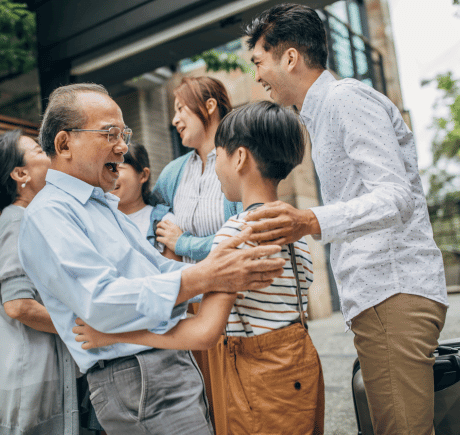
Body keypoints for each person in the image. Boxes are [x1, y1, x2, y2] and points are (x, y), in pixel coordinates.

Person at [17, 83, 287, 435]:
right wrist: (210, 275)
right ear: (64, 143)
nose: (123, 146)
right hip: (135, 377)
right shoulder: (48, 215)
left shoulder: (100, 205)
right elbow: (102, 301)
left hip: (155, 369)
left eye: (123, 133)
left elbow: (158, 270)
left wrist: (218, 265)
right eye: (110, 134)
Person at [241, 4, 449, 435]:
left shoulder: (344, 100)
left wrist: (309, 220)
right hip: (382, 296)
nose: (257, 75)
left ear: (290, 57)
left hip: (393, 291)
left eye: (259, 61)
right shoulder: (322, 112)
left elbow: (395, 198)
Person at [74, 101, 325, 435]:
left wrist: (111, 335)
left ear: (239, 158)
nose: (215, 166)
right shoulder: (295, 232)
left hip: (255, 380)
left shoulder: (236, 233)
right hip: (300, 370)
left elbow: (205, 332)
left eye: (217, 154)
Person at [0, 130, 79, 435]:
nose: (48, 155)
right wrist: (80, 325)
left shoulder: (20, 218)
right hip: (29, 384)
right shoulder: (19, 220)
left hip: (25, 380)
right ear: (21, 174)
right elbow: (18, 305)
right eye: (38, 152)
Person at [153, 76, 243, 263]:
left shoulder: (240, 162)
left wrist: (183, 244)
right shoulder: (172, 173)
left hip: (234, 288)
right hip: (189, 290)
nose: (174, 120)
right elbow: (150, 210)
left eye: (180, 109)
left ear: (210, 106)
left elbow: (242, 235)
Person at [111, 141, 180, 260]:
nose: (111, 175)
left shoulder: (163, 223)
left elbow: (174, 274)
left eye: (119, 167)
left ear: (143, 175)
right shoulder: (98, 218)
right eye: (108, 168)